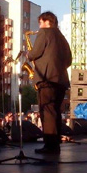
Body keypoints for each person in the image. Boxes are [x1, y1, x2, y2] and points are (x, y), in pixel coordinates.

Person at [27, 11, 72, 154]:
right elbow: (69, 60)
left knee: (47, 112)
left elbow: (35, 53)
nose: (39, 26)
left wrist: (29, 55)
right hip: (61, 80)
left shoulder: (44, 33)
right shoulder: (62, 38)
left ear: (47, 22)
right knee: (55, 112)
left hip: (46, 78)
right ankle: (55, 145)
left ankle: (50, 146)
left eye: (41, 22)